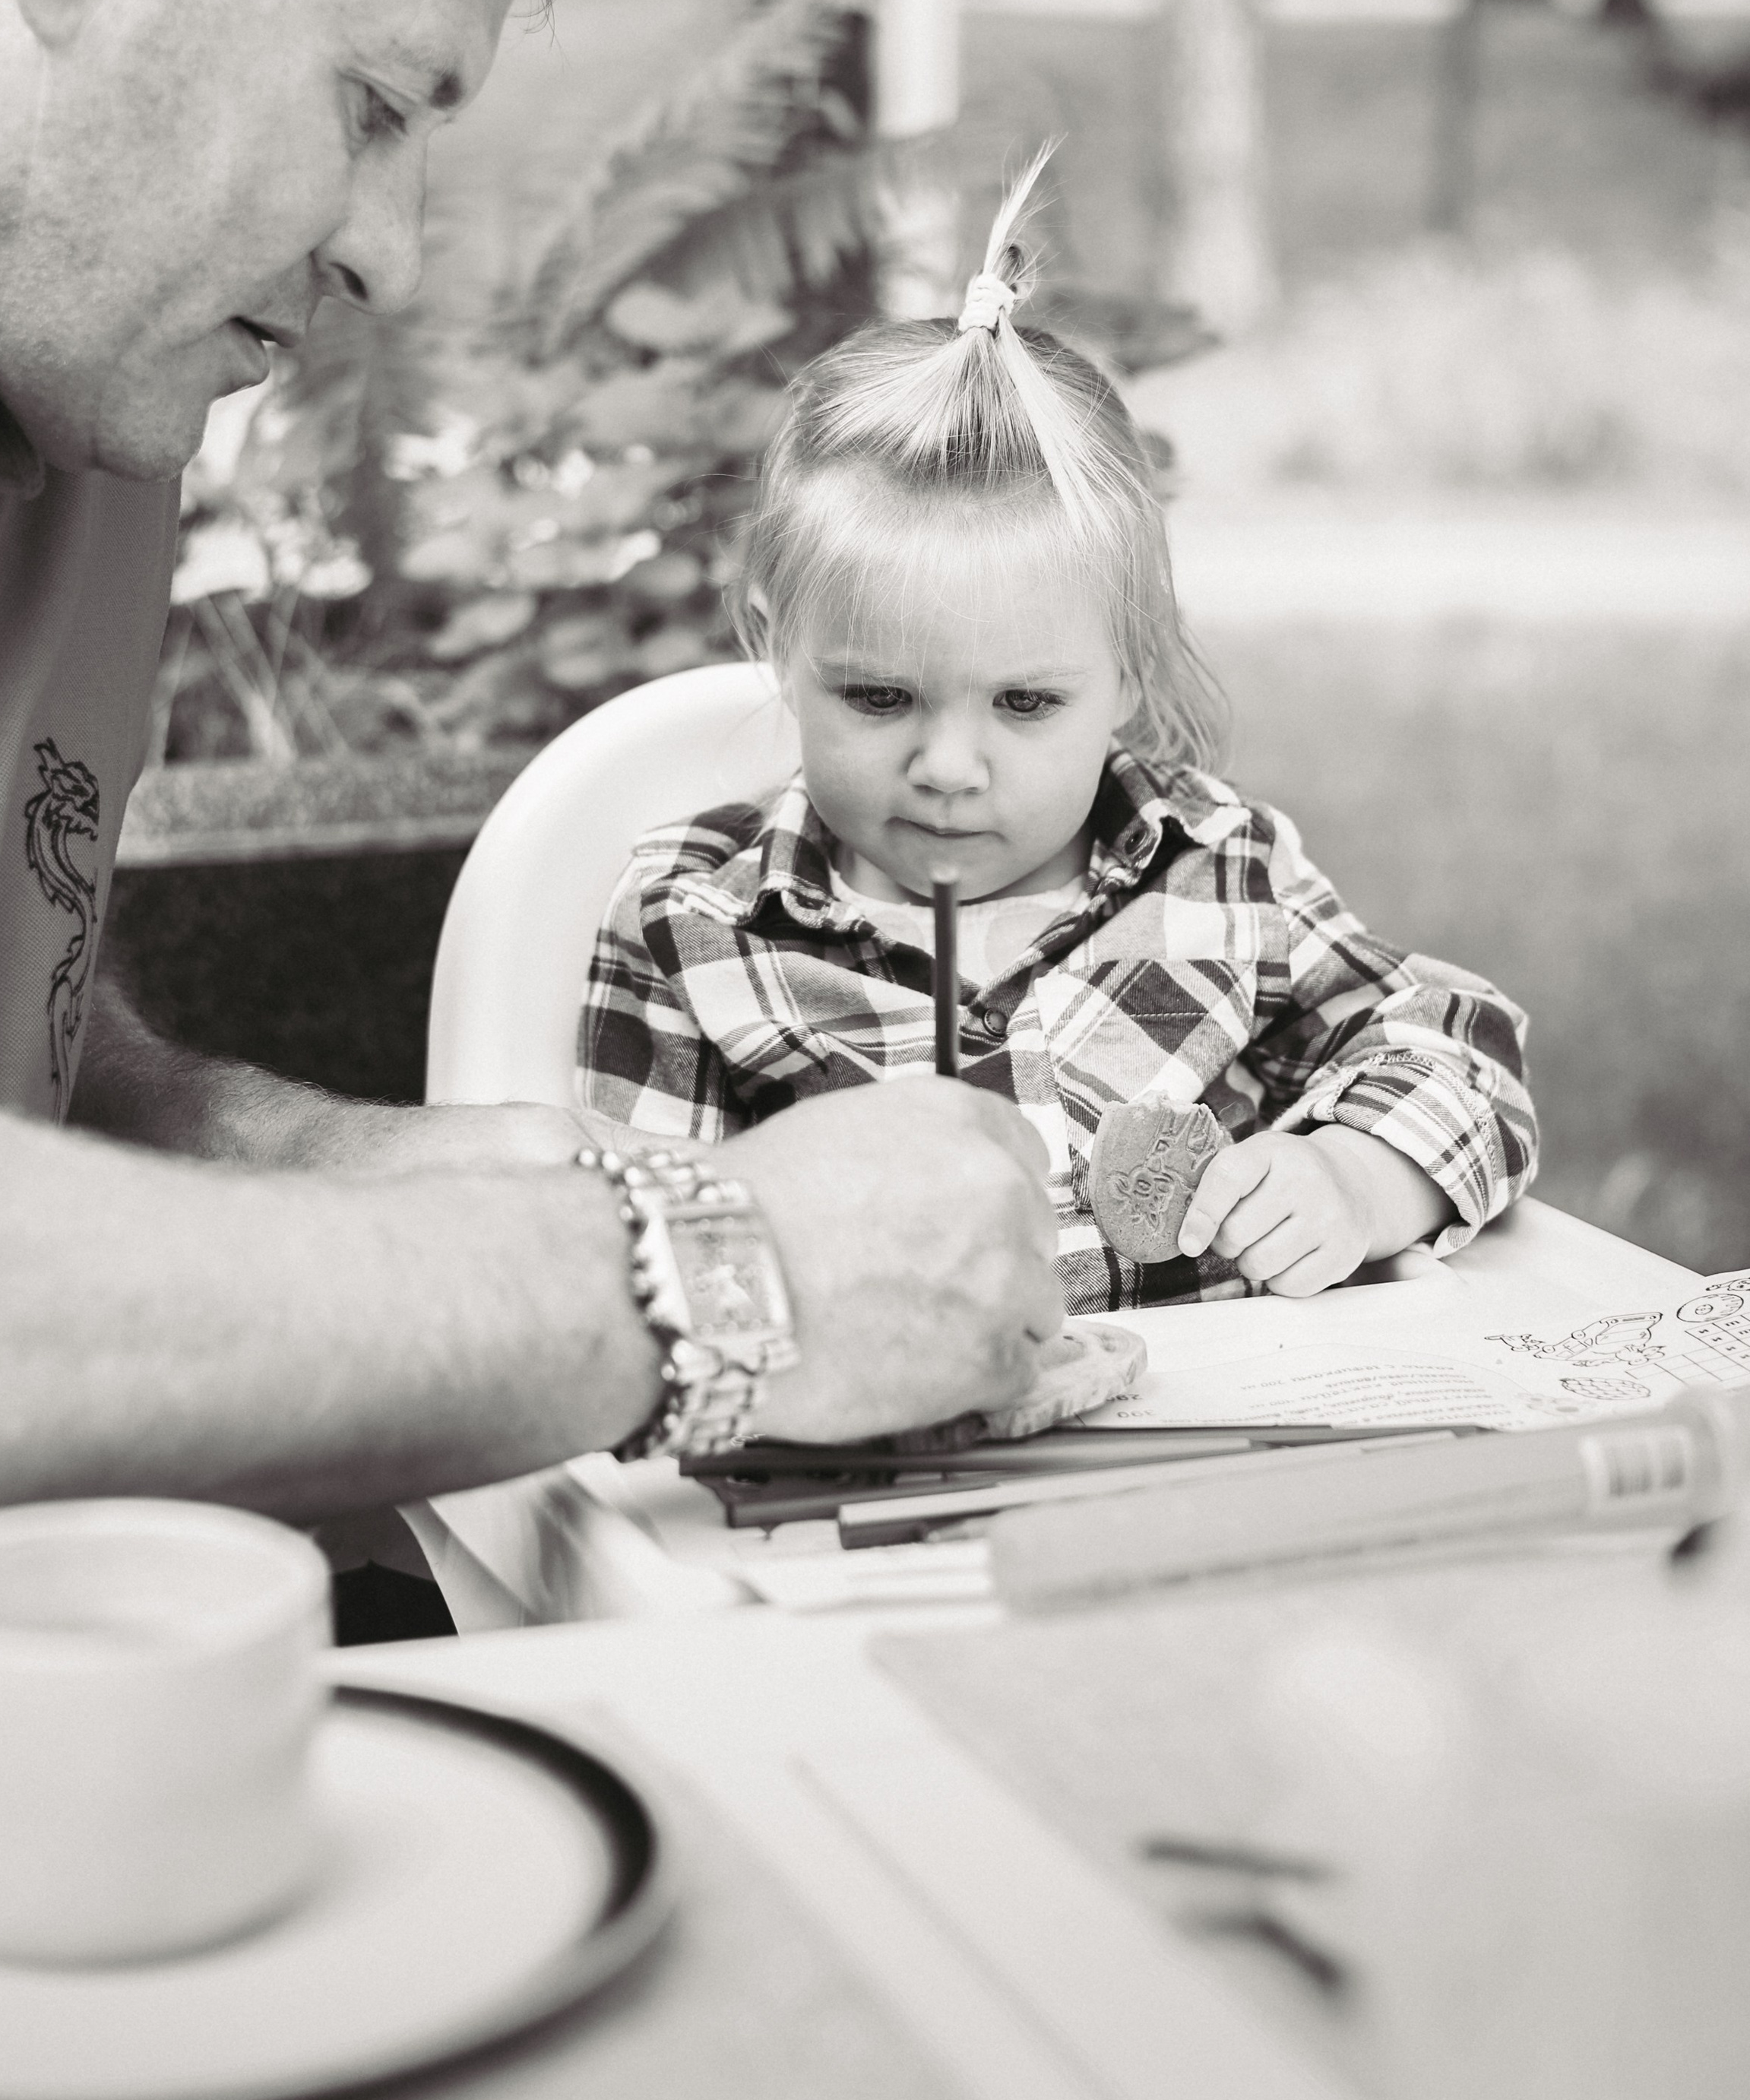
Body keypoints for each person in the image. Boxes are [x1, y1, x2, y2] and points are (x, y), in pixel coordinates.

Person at [0, 0, 1059, 1585]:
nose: (386, 250)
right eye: (374, 107)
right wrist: (691, 1282)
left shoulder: (71, 357)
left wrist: (308, 1159)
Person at [581, 155, 1540, 1307]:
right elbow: (635, 1270)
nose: (946, 770)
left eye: (1026, 704)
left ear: (1129, 670)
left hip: (1221, 1457)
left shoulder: (1216, 873)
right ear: (774, 644)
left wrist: (1354, 1175)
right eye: (879, 698)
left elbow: (1463, 1050)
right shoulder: (698, 928)